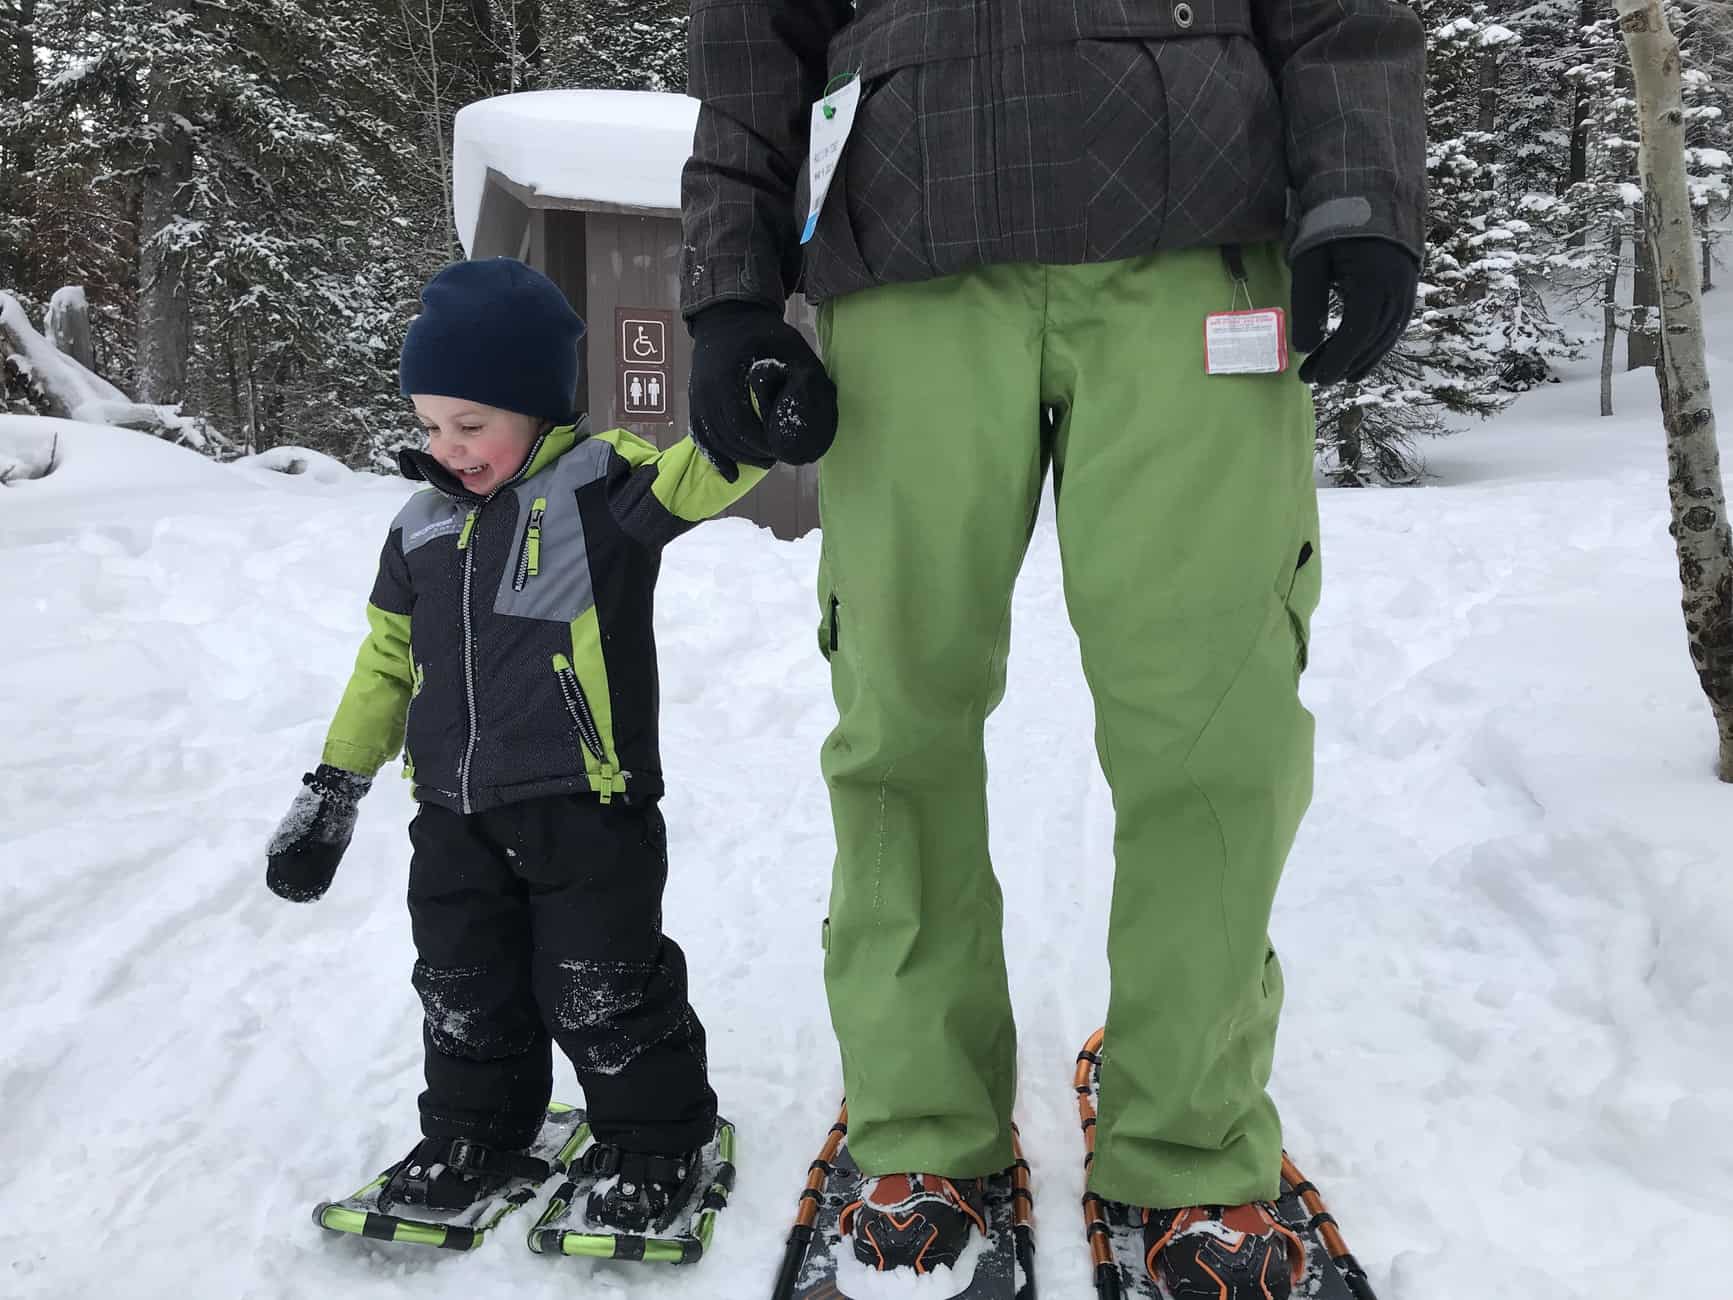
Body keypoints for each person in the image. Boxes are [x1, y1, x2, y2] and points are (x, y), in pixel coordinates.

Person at [681, 0, 1424, 1294]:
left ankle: (1190, 1140)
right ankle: (919, 1125)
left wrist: (1360, 190)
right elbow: (755, 28)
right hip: (903, 236)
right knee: (896, 713)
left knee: (1213, 718)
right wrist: (728, 283)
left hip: (1194, 229)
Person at [263, 257, 765, 1232]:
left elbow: (696, 477)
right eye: (431, 426)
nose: (448, 449)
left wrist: (749, 415)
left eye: (472, 424)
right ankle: (474, 1130)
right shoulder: (416, 529)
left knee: (600, 981)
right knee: (461, 981)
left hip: (584, 800)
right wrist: (336, 785)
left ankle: (658, 1136)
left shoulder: (595, 488)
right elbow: (385, 665)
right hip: (451, 813)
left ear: (538, 405)